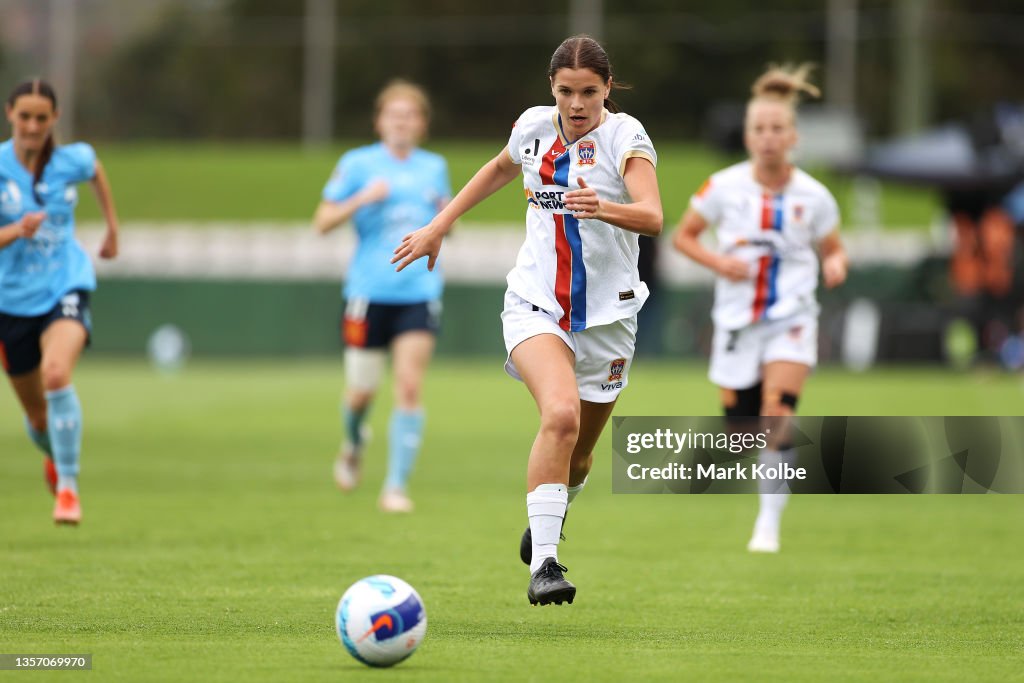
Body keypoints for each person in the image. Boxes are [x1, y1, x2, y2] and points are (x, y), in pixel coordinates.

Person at [392, 35, 662, 605]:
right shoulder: (533, 128)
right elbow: (497, 169)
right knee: (559, 417)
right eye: (566, 91)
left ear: (608, 89)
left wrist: (603, 206)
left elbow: (653, 216)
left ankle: (550, 511)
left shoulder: (626, 137)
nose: (577, 103)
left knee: (582, 454)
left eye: (589, 91)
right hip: (536, 304)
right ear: (552, 89)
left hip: (610, 320)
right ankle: (545, 564)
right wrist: (440, 224)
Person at [672, 64, 847, 553]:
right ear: (747, 136)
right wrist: (718, 262)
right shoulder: (722, 187)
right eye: (758, 129)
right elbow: (682, 238)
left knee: (777, 414)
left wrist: (834, 264)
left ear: (792, 136)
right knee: (743, 433)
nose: (767, 137)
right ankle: (769, 472)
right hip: (736, 323)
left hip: (792, 319)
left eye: (776, 128)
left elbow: (833, 247)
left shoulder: (815, 196)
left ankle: (768, 524)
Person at [313, 80, 451, 514]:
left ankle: (395, 486)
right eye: (394, 115)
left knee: (409, 387)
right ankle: (353, 441)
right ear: (379, 122)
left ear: (422, 125)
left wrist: (444, 211)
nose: (402, 122)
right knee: (361, 393)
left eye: (410, 115)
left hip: (418, 292)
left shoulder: (434, 168)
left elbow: (449, 226)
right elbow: (322, 222)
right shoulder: (357, 164)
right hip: (368, 293)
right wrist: (361, 198)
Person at [0, 79, 120, 525]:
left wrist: (112, 228)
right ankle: (54, 456)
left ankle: (68, 488)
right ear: (10, 114)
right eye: (25, 116)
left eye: (41, 118)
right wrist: (15, 231)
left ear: (55, 119)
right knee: (37, 417)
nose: (33, 125)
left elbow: (96, 172)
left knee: (56, 374)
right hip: (10, 302)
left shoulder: (72, 159)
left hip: (64, 284)